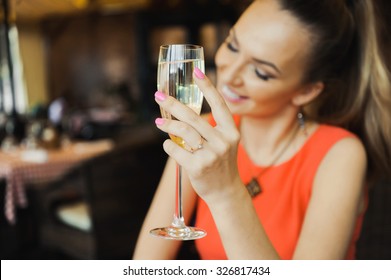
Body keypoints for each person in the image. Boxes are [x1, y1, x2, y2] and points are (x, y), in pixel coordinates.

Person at [133, 0, 391, 260]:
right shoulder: (204, 132)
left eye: (260, 72)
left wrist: (227, 193)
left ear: (307, 90)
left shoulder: (340, 155)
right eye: (232, 45)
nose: (230, 74)